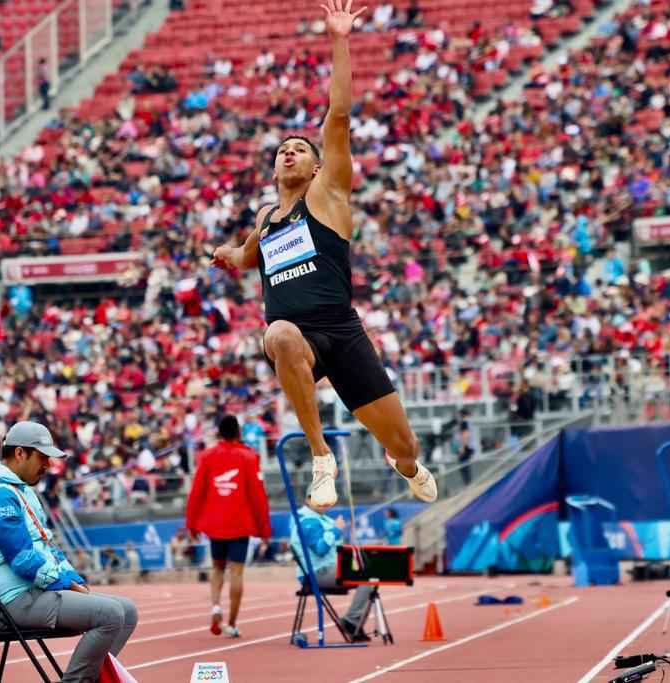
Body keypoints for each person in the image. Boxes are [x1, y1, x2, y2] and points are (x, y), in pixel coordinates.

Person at [210, 0, 436, 511]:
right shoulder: (267, 218)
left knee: (405, 444)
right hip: (299, 340)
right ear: (274, 172)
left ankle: (403, 465)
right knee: (279, 333)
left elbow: (338, 115)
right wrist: (225, 254)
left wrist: (339, 40)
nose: (289, 152)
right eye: (281, 150)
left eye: (300, 149)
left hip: (343, 331)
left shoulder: (328, 197)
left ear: (317, 169)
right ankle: (321, 460)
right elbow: (247, 256)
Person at [0, 421, 138, 682]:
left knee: (127, 612)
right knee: (111, 615)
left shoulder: (23, 492)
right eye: (42, 457)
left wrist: (76, 581)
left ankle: (90, 679)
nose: (48, 465)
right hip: (16, 601)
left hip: (37, 591)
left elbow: (50, 548)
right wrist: (66, 585)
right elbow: (23, 561)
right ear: (20, 453)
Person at [186, 415, 272, 638]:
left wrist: (191, 524)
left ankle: (216, 605)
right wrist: (264, 530)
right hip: (240, 524)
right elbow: (258, 497)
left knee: (217, 569)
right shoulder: (249, 456)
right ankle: (232, 624)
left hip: (215, 523)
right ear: (238, 432)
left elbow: (197, 491)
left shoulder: (207, 456)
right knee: (236, 572)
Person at [290, 482, 374, 642]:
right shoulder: (307, 521)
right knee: (368, 577)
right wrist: (335, 530)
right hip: (315, 573)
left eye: (326, 499)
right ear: (308, 500)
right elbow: (320, 549)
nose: (324, 502)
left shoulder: (322, 519)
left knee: (372, 575)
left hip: (329, 569)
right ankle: (351, 622)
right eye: (319, 499)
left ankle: (353, 624)